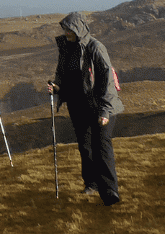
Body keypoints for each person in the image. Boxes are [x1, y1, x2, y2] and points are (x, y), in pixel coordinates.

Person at [47, 11, 124, 206]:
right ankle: (91, 184)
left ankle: (110, 192)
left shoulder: (96, 48)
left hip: (100, 106)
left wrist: (105, 111)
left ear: (79, 29)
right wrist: (56, 88)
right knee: (86, 147)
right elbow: (62, 75)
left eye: (69, 30)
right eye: (65, 30)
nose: (66, 33)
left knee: (102, 147)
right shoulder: (66, 48)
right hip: (78, 105)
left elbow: (107, 80)